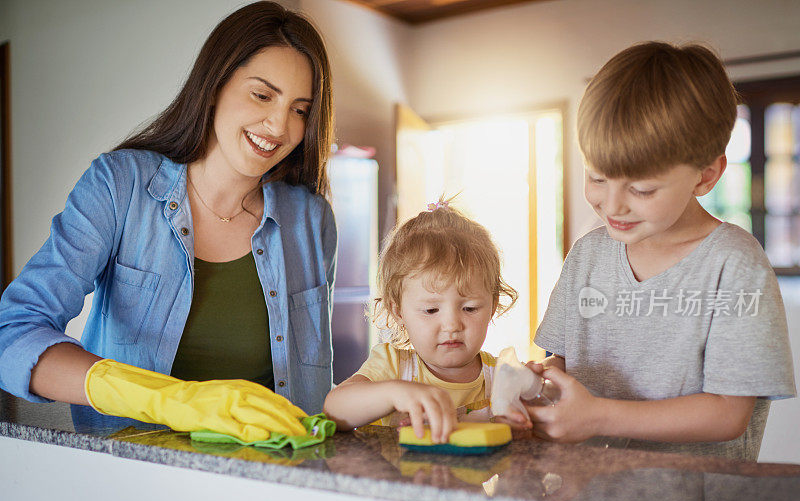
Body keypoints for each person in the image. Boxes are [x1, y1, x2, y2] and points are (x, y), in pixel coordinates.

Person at [0, 1, 337, 441]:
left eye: (300, 109)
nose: (279, 125)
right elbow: (13, 334)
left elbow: (315, 389)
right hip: (131, 478)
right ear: (215, 85)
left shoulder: (312, 220)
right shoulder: (119, 185)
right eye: (262, 95)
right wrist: (163, 398)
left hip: (269, 482)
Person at [517, 41, 795, 460]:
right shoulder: (589, 254)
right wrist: (536, 389)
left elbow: (727, 415)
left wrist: (598, 416)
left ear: (706, 176)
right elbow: (564, 364)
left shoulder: (734, 265)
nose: (612, 206)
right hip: (588, 495)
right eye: (597, 177)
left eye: (641, 189)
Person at [323, 199, 519, 443]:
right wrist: (394, 393)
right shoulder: (394, 368)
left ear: (492, 306)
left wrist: (523, 427)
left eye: (469, 308)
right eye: (430, 310)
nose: (452, 325)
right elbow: (334, 410)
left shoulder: (501, 377)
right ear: (398, 311)